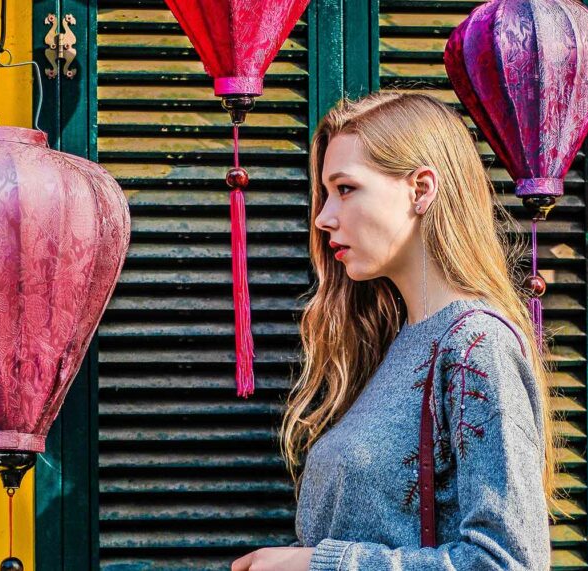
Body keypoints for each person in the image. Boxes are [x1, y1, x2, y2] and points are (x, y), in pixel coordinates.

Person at [230, 92, 563, 571]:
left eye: (344, 188)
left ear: (421, 190)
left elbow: (507, 563)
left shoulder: (476, 345)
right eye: (326, 193)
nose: (323, 216)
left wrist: (315, 565)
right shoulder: (395, 346)